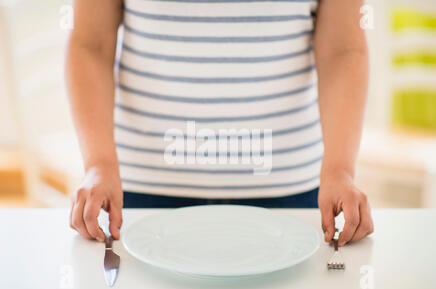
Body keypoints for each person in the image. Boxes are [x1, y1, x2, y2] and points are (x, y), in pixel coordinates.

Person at [66, 0, 373, 246]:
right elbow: (90, 44)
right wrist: (99, 165)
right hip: (140, 196)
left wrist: (340, 170)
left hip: (291, 194)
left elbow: (342, 49)